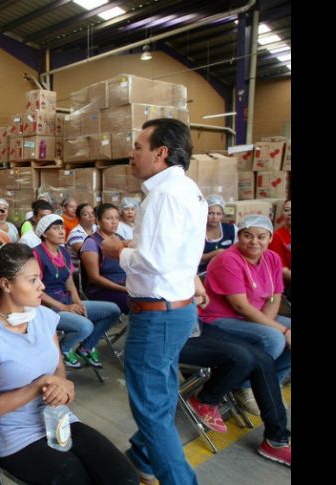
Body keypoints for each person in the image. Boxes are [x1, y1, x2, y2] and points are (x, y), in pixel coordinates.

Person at [0, 242, 138, 485]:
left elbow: (58, 371)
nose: (41, 286)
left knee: (122, 476)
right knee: (76, 478)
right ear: (6, 284)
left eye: (39, 278)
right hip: (18, 435)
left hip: (59, 418)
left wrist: (64, 388)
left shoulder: (44, 316)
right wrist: (40, 384)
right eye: (32, 280)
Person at [100, 118, 207, 485]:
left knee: (151, 410)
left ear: (160, 153)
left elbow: (155, 260)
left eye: (139, 147)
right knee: (159, 394)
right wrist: (135, 249)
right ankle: (142, 456)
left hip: (158, 315)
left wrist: (118, 251)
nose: (132, 153)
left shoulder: (163, 195)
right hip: (176, 308)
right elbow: (171, 253)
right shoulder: (188, 190)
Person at [198, 215, 291, 413]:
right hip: (220, 319)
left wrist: (268, 323)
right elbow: (240, 307)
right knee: (274, 338)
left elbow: (274, 296)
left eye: (261, 237)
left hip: (254, 316)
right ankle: (245, 387)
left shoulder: (272, 258)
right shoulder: (227, 260)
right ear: (238, 236)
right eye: (248, 236)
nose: (254, 242)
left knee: (280, 332)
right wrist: (281, 330)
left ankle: (272, 383)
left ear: (270, 238)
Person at [179, 315, 291, 466]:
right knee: (242, 357)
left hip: (194, 325)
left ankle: (277, 439)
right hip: (166, 333)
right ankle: (206, 399)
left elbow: (199, 298)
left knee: (263, 359)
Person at [33, 215, 121, 369]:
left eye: (61, 227)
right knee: (86, 326)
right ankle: (63, 350)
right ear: (44, 234)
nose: (61, 231)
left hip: (67, 302)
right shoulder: (36, 254)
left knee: (113, 311)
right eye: (55, 228)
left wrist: (77, 301)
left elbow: (69, 281)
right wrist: (63, 307)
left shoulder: (62, 251)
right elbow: (35, 290)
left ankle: (85, 347)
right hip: (47, 308)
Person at [79, 203, 129, 314]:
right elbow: (94, 278)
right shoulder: (91, 243)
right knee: (138, 303)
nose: (114, 222)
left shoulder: (120, 239)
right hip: (102, 290)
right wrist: (124, 289)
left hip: (124, 285)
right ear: (98, 220)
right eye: (109, 218)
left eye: (116, 218)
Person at [198, 194, 237, 273]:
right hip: (202, 272)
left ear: (223, 215)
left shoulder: (232, 229)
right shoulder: (198, 231)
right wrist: (216, 253)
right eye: (211, 213)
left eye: (218, 214)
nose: (214, 217)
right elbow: (194, 257)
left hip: (227, 269)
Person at [268, 199, 291, 300]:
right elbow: (283, 271)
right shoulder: (277, 236)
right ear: (282, 214)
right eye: (287, 210)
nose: (290, 213)